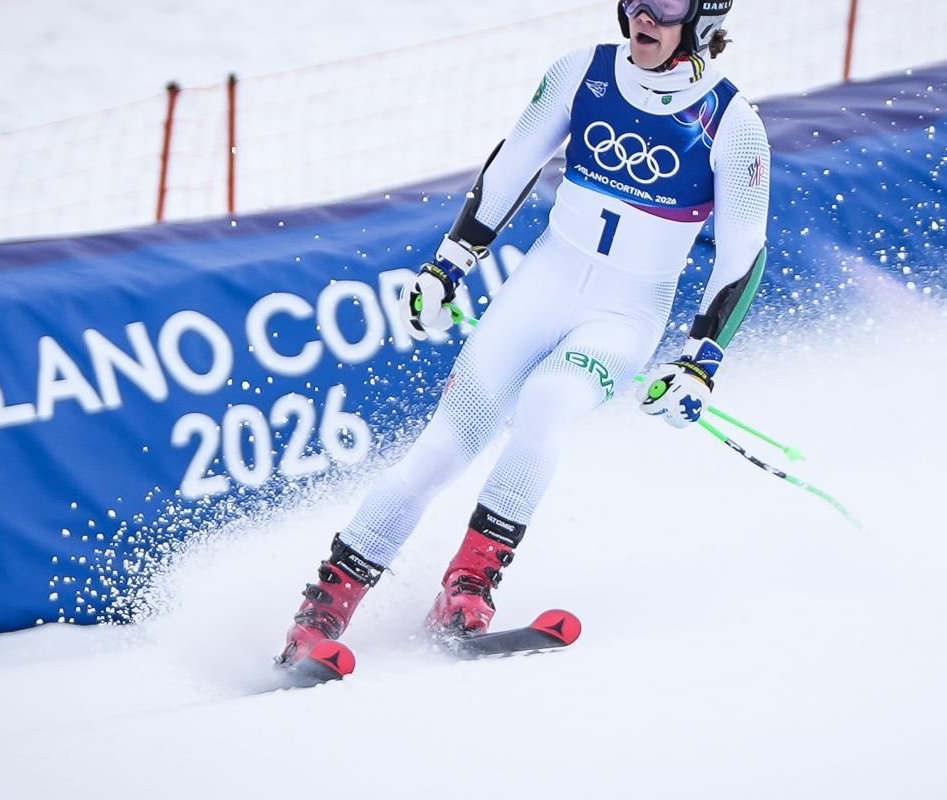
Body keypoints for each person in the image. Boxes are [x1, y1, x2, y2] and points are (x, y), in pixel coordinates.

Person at [276, 0, 771, 679]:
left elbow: (743, 253)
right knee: (442, 448)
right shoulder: (582, 71)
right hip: (542, 287)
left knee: (548, 404)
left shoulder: (732, 123)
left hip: (624, 316)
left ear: (704, 18)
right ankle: (319, 616)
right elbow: (512, 165)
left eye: (665, 5)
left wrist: (700, 362)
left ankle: (467, 588)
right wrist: (449, 264)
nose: (642, 16)